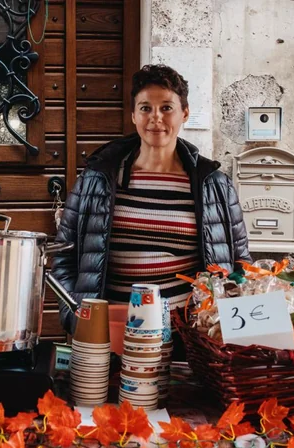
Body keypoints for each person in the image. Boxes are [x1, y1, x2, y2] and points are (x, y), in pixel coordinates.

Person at [52, 64, 251, 335]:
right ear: (133, 115)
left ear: (185, 114)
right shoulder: (98, 177)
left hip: (189, 338)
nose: (155, 117)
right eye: (145, 108)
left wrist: (218, 327)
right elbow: (64, 256)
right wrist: (76, 315)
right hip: (109, 335)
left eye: (167, 108)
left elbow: (240, 264)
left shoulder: (213, 184)